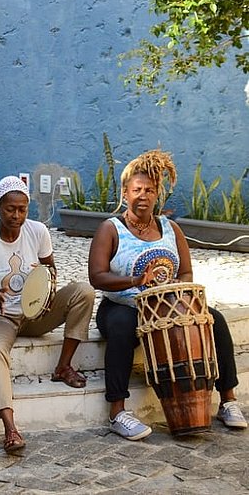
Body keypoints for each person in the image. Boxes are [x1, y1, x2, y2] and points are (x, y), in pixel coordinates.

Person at [89, 149, 246, 440]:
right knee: (122, 327)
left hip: (167, 308)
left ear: (157, 194)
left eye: (149, 190)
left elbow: (186, 273)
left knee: (216, 321)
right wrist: (136, 280)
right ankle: (118, 412)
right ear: (125, 193)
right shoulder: (110, 229)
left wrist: (173, 295)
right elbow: (97, 276)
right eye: (136, 190)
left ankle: (228, 399)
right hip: (122, 306)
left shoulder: (171, 228)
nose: (143, 196)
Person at [0, 175, 95, 453]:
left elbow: (50, 268)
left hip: (35, 314)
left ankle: (63, 366)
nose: (16, 215)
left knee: (83, 291)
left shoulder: (38, 232)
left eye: (22, 209)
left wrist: (45, 290)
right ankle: (10, 428)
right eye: (10, 208)